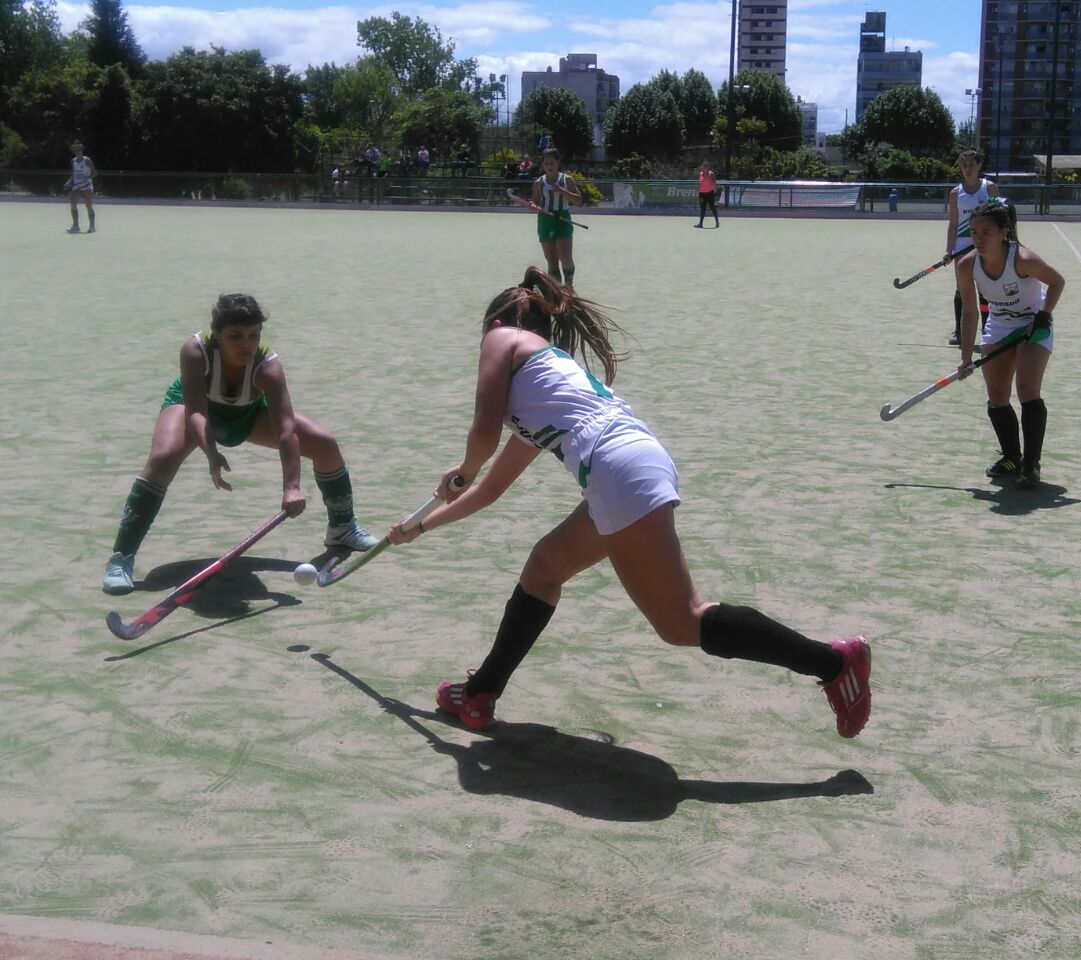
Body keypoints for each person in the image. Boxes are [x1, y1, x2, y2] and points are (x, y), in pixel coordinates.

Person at [385, 267, 872, 739]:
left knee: (682, 621)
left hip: (616, 468)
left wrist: (464, 468)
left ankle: (834, 662)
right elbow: (490, 490)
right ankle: (479, 695)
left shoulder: (504, 337)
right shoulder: (543, 395)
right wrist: (420, 526)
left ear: (496, 324)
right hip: (626, 465)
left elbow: (482, 435)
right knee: (544, 568)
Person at [102, 294, 380, 595]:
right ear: (217, 334)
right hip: (194, 408)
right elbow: (195, 412)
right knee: (163, 457)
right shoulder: (195, 351)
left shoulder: (268, 367)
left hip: (247, 414)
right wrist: (211, 453)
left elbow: (286, 430)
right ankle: (121, 558)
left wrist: (291, 487)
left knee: (325, 444)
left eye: (253, 335)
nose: (246, 345)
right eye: (235, 336)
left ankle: (342, 528)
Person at [955, 199, 1066, 490]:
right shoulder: (966, 265)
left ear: (1003, 233)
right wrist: (966, 357)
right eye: (974, 232)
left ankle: (1031, 464)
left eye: (986, 232)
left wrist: (1043, 316)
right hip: (1000, 324)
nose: (978, 238)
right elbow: (970, 312)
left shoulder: (1023, 259)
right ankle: (1011, 457)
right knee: (997, 395)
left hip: (1033, 323)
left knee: (1027, 389)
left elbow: (1057, 282)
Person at [943, 149, 996, 346]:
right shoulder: (955, 193)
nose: (967, 169)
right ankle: (959, 331)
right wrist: (949, 250)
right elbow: (953, 224)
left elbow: (1000, 217)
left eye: (971, 165)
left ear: (979, 166)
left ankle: (987, 330)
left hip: (985, 247)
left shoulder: (989, 188)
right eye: (964, 165)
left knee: (984, 290)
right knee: (962, 290)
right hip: (962, 247)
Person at [531, 148, 582, 287]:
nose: (549, 166)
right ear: (543, 164)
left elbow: (578, 200)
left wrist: (562, 191)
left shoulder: (567, 180)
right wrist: (533, 206)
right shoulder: (538, 183)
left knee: (565, 258)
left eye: (552, 162)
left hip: (562, 219)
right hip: (545, 221)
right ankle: (558, 291)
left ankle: (569, 286)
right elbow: (534, 202)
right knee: (552, 262)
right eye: (546, 163)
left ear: (558, 162)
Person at [63, 140, 97, 234]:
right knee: (73, 204)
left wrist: (87, 178)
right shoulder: (73, 161)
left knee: (88, 205)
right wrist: (68, 182)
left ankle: (92, 226)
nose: (77, 151)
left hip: (86, 185)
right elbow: (73, 174)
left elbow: (94, 173)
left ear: (82, 150)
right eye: (75, 150)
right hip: (76, 186)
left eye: (78, 150)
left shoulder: (87, 160)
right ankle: (75, 226)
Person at [695, 160, 720, 228]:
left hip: (710, 193)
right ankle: (700, 224)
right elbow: (700, 183)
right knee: (703, 208)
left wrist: (715, 190)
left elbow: (714, 182)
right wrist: (698, 190)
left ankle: (717, 222)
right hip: (702, 193)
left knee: (712, 207)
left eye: (705, 167)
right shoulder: (701, 174)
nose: (704, 168)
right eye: (703, 167)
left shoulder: (711, 174)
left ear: (708, 168)